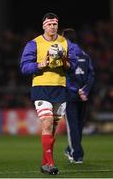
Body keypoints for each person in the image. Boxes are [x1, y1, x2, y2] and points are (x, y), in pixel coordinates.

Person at [20, 14, 77, 175]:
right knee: (47, 121)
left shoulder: (65, 43)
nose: (52, 27)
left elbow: (73, 67)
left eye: (55, 24)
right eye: (50, 24)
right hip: (41, 87)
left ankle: (45, 163)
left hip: (60, 88)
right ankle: (51, 164)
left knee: (52, 129)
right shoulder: (34, 43)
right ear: (44, 26)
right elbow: (24, 67)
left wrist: (65, 62)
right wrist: (40, 65)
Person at [62, 28, 95, 163]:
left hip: (70, 95)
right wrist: (84, 91)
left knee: (73, 125)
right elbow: (91, 75)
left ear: (65, 38)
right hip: (83, 96)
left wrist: (75, 90)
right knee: (79, 125)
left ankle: (76, 154)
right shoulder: (85, 55)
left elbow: (64, 76)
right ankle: (72, 150)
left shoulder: (65, 55)